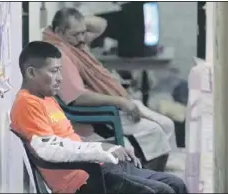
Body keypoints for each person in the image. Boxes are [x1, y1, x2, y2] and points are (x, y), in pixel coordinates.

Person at [10, 41, 188, 193]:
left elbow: (70, 141)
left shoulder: (47, 98)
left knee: (176, 183)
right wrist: (102, 151)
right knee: (163, 191)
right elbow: (50, 150)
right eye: (54, 71)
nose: (60, 78)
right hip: (83, 179)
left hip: (95, 167)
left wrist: (106, 147)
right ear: (32, 73)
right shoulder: (27, 104)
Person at [42, 8, 177, 169]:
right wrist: (120, 102)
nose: (82, 39)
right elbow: (78, 97)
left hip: (112, 103)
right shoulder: (61, 54)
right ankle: (152, 179)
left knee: (167, 125)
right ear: (59, 32)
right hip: (102, 110)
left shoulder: (73, 44)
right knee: (156, 131)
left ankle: (159, 175)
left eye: (83, 33)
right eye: (76, 34)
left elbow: (101, 25)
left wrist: (78, 22)